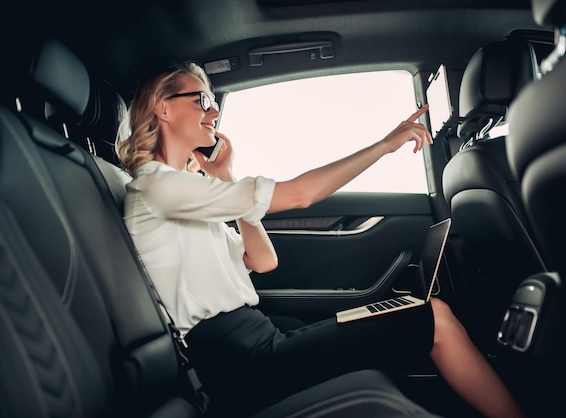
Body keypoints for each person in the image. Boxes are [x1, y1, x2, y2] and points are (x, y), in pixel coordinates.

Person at [116, 61, 526, 418]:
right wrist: (384, 145)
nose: (214, 110)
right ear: (163, 107)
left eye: (213, 100)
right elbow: (301, 194)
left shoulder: (185, 190)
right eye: (202, 100)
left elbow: (262, 261)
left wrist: (225, 179)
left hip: (253, 338)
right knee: (433, 316)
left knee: (402, 314)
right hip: (238, 360)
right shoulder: (158, 188)